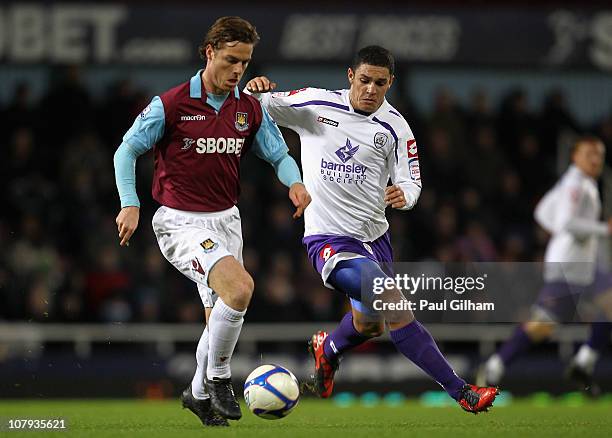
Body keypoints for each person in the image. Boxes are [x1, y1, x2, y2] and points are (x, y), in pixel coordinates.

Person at [246, 45, 498, 413]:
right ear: (351, 76)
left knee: (369, 325)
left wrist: (404, 196)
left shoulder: (396, 127)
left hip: (375, 240)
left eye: (380, 83)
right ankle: (463, 393)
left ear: (390, 83)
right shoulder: (316, 104)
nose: (370, 89)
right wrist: (256, 90)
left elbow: (412, 181)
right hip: (329, 239)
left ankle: (328, 349)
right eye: (364, 80)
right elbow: (260, 105)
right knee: (395, 306)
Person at [113, 16, 310, 427]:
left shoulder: (248, 108)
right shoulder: (171, 103)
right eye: (231, 60)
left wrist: (295, 184)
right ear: (210, 52)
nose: (238, 70)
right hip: (179, 222)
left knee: (218, 320)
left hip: (226, 221)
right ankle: (219, 379)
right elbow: (125, 151)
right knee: (240, 290)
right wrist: (130, 203)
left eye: (246, 62)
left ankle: (197, 394)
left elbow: (278, 154)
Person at [478, 137, 612, 393]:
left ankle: (583, 364)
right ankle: (496, 364)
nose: (595, 159)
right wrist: (603, 229)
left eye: (599, 154)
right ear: (575, 157)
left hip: (583, 263)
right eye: (589, 154)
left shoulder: (578, 183)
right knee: (544, 324)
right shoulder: (575, 184)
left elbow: (542, 211)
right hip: (568, 265)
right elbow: (567, 223)